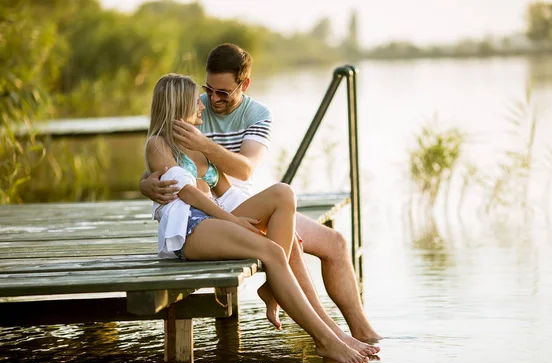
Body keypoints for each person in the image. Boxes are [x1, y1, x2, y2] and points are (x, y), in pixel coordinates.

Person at [140, 43, 381, 345]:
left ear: (244, 85)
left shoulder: (257, 114)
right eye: (208, 89)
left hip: (240, 200)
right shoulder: (190, 106)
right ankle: (329, 334)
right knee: (288, 241)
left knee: (336, 242)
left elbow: (244, 170)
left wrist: (205, 145)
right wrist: (145, 184)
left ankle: (362, 332)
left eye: (223, 93)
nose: (212, 99)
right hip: (211, 214)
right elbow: (167, 168)